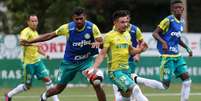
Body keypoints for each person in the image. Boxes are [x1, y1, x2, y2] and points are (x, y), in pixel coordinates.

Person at [20, 7, 106, 101]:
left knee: (96, 83)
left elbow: (102, 45)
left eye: (81, 18)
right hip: (69, 63)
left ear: (85, 17)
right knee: (58, 89)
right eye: (76, 19)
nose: (79, 21)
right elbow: (50, 35)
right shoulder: (67, 28)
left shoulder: (92, 27)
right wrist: (30, 41)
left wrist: (99, 44)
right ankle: (44, 96)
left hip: (86, 62)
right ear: (73, 18)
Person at [87, 10, 147, 101]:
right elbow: (102, 54)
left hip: (127, 71)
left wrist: (140, 50)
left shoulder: (127, 34)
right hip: (115, 72)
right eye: (122, 22)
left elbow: (131, 51)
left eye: (127, 22)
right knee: (135, 89)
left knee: (126, 96)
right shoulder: (109, 36)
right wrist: (94, 67)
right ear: (115, 23)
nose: (126, 24)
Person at [5, 15, 59, 101]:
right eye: (32, 21)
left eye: (36, 21)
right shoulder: (26, 31)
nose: (34, 23)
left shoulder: (36, 33)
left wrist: (45, 54)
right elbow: (21, 42)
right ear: (28, 22)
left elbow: (37, 49)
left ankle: (56, 100)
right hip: (28, 64)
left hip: (38, 61)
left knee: (48, 79)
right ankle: (9, 95)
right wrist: (34, 44)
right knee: (27, 86)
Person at [151, 0, 192, 101]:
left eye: (180, 7)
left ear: (183, 9)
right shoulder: (168, 20)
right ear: (173, 9)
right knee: (165, 86)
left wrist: (187, 47)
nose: (178, 9)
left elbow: (177, 39)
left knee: (187, 80)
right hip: (167, 56)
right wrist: (164, 42)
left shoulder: (182, 22)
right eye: (176, 7)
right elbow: (155, 33)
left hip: (177, 56)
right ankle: (138, 80)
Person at [112, 10, 148, 101]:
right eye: (123, 21)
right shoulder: (115, 30)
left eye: (127, 20)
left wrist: (138, 54)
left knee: (130, 89)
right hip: (117, 65)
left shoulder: (135, 29)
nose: (125, 23)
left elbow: (141, 42)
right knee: (125, 90)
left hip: (130, 62)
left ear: (129, 19)